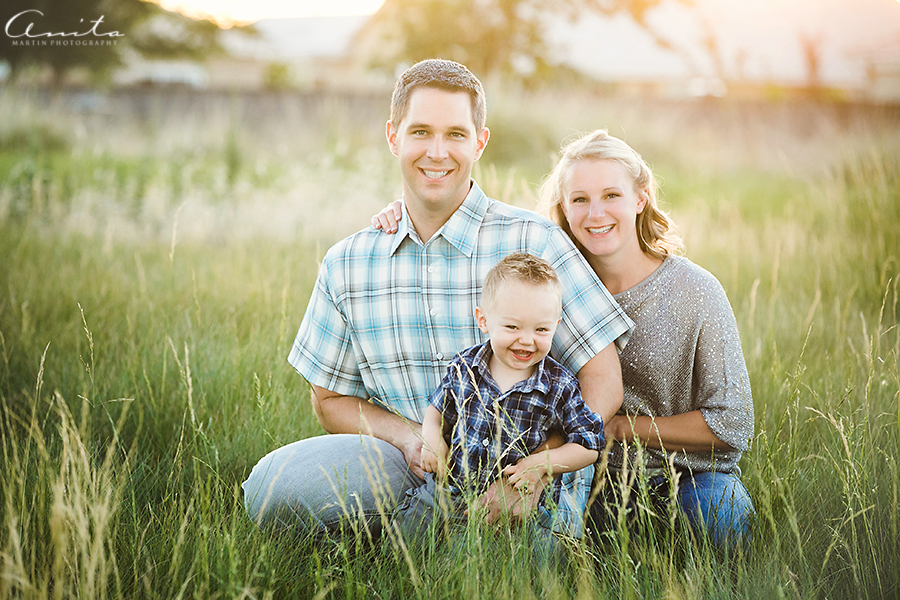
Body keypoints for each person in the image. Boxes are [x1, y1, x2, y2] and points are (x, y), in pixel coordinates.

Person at [241, 60, 633, 539]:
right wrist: (408, 439)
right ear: (393, 137)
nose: (438, 152)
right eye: (421, 132)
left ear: (479, 142)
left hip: (529, 466)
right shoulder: (348, 262)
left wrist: (537, 468)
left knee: (516, 569)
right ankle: (418, 529)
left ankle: (434, 539)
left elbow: (603, 376)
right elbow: (329, 400)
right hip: (412, 463)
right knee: (270, 489)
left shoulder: (536, 241)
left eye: (455, 134)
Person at [372, 129, 756, 546]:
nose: (596, 214)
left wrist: (619, 429)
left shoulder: (695, 290)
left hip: (689, 476)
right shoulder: (549, 286)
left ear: (640, 198)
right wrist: (404, 214)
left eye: (612, 196)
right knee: (577, 554)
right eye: (580, 200)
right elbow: (478, 231)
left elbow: (732, 423)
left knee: (721, 526)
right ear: (564, 210)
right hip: (585, 478)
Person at [394, 253, 604, 540]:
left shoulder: (559, 385)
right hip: (449, 491)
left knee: (534, 565)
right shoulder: (465, 367)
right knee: (407, 541)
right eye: (512, 327)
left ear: (556, 324)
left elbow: (589, 445)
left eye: (541, 329)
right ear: (483, 319)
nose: (527, 340)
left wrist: (541, 463)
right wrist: (431, 437)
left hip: (522, 506)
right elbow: (438, 408)